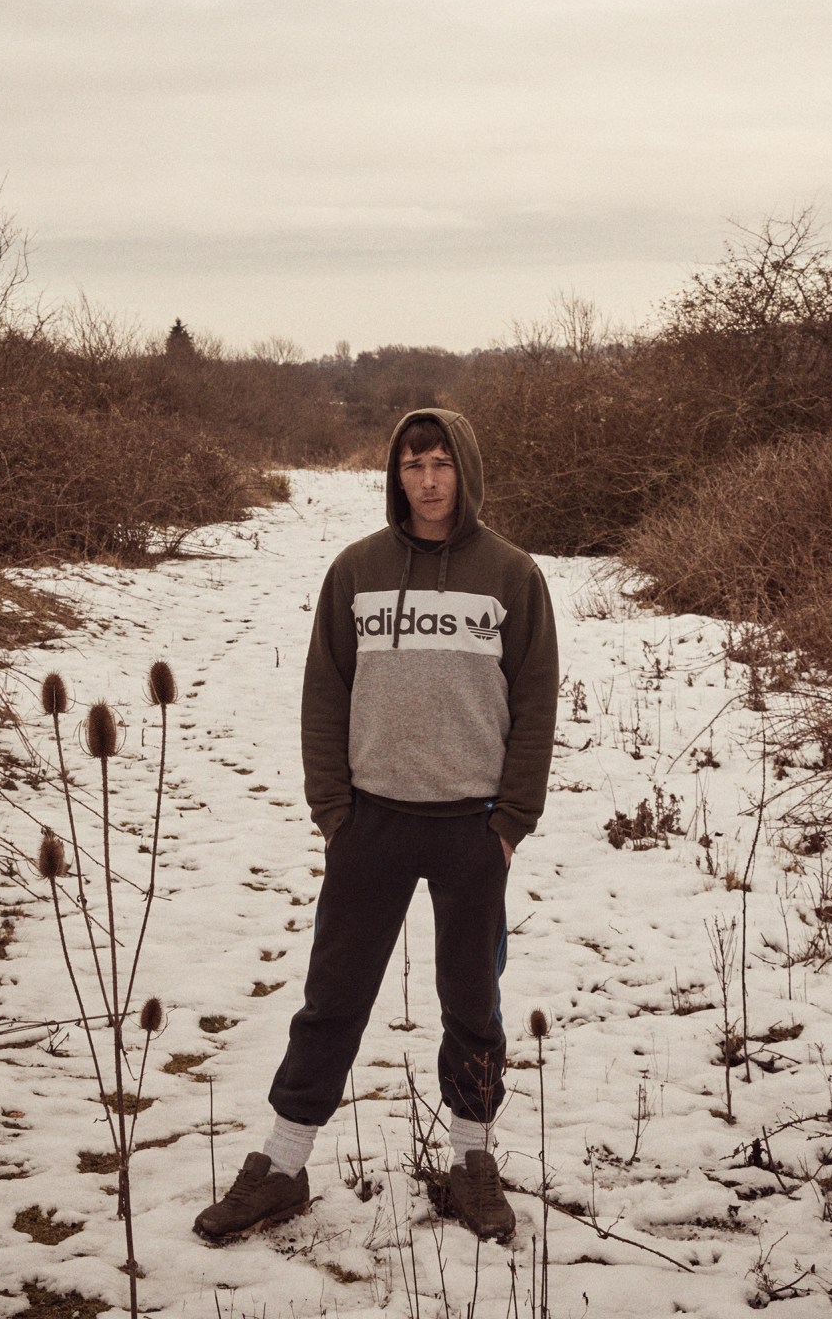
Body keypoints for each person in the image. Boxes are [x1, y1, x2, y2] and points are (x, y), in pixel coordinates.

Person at [194, 406, 559, 1245]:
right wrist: (333, 810)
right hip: (371, 824)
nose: (426, 481)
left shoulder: (511, 573)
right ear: (395, 475)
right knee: (332, 1003)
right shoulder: (355, 570)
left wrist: (510, 820)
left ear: (464, 470)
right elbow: (324, 691)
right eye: (411, 466)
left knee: (472, 1004)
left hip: (472, 828)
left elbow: (534, 704)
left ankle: (470, 1161)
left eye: (440, 465)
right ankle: (282, 1167)